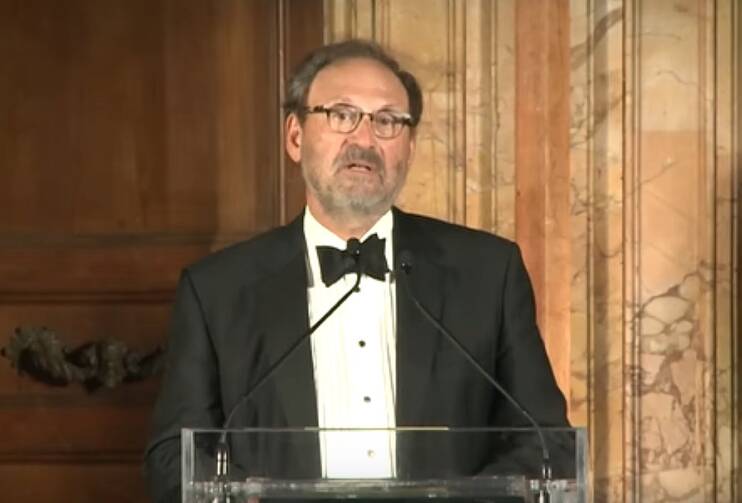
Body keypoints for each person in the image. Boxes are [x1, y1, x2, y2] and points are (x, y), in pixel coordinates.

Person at [144, 39, 569, 503]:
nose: (364, 140)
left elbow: (547, 442)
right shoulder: (217, 290)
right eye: (341, 114)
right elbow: (173, 459)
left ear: (408, 146)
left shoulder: (489, 272)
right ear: (295, 136)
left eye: (387, 121)